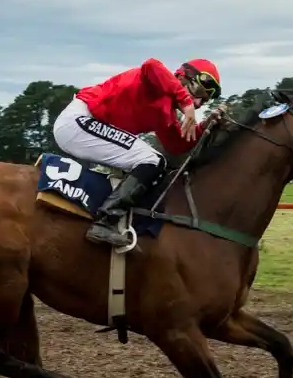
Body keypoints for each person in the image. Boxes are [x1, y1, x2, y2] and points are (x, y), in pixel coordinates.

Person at [52, 58, 224, 247]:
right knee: (152, 160)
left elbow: (177, 145)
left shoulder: (165, 112)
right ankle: (105, 222)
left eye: (203, 101)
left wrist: (206, 125)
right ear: (182, 76)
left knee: (155, 163)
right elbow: (151, 65)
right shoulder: (155, 84)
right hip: (80, 120)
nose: (198, 103)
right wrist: (186, 102)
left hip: (86, 125)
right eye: (198, 93)